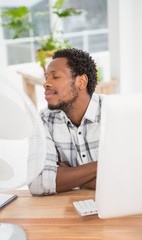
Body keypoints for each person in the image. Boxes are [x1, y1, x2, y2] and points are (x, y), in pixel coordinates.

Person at [29, 48, 104, 195]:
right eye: (46, 78)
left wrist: (69, 174)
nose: (46, 84)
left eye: (55, 77)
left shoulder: (112, 112)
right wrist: (102, 166)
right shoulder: (44, 120)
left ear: (81, 82)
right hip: (68, 210)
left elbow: (132, 174)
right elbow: (37, 184)